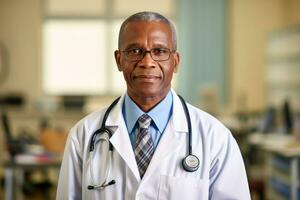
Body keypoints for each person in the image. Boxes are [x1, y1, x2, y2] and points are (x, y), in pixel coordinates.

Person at [56, 11, 251, 200]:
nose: (147, 62)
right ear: (119, 60)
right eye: (135, 51)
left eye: (159, 51)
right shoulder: (83, 135)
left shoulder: (216, 138)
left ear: (175, 62)